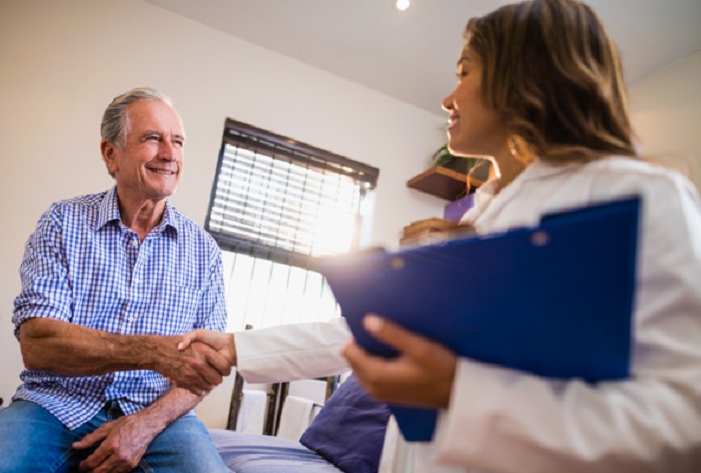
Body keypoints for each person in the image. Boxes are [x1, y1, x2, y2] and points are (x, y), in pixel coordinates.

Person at [179, 0, 701, 471]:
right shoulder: (481, 218)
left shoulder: (642, 196)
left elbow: (684, 422)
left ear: (527, 78)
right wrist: (239, 345)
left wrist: (459, 391)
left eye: (465, 71)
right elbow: (373, 331)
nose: (448, 97)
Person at [0, 87, 233, 473]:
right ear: (110, 154)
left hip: (161, 420)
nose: (169, 153)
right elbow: (39, 344)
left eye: (178, 141)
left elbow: (205, 369)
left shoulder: (205, 252)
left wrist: (144, 424)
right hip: (53, 405)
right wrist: (152, 352)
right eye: (153, 138)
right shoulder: (62, 222)